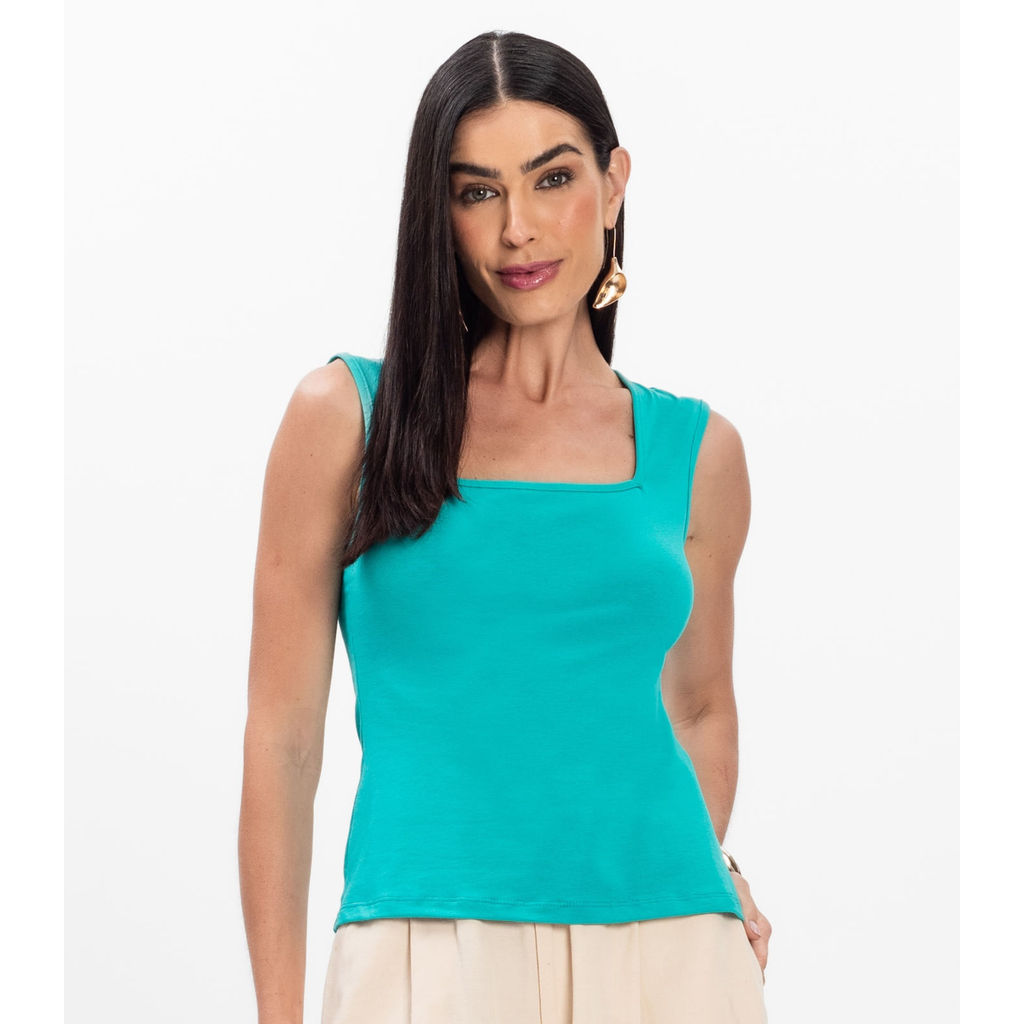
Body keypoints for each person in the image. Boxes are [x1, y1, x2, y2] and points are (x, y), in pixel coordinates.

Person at [239, 29, 773, 1024]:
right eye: (477, 191)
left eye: (552, 178)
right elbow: (282, 742)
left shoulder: (698, 452)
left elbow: (701, 709)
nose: (518, 228)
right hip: (424, 947)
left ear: (613, 186)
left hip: (673, 955)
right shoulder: (346, 417)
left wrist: (711, 867)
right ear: (437, 214)